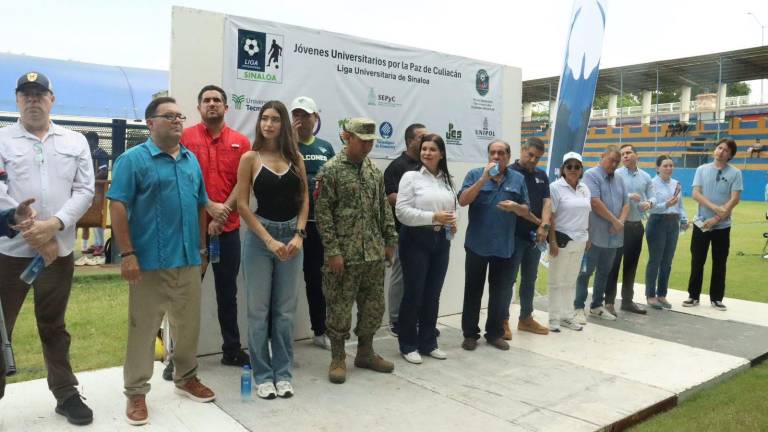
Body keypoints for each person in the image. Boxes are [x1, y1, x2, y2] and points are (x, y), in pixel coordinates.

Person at [108, 97, 217, 426]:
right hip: (148, 264)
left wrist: (200, 249)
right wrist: (127, 254)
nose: (176, 121)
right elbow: (117, 206)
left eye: (179, 116)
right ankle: (137, 392)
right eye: (168, 116)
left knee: (188, 328)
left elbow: (201, 204)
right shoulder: (133, 160)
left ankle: (186, 378)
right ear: (150, 123)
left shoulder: (189, 160)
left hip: (187, 260)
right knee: (142, 331)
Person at [0, 72, 95, 424]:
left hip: (57, 252)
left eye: (40, 94)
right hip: (10, 253)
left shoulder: (74, 141)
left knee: (53, 326)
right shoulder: (2, 139)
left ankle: (66, 394)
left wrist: (52, 227)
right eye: (26, 95)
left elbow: (85, 190)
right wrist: (27, 228)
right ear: (17, 100)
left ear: (52, 99)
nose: (33, 100)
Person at [315, 118, 398, 384]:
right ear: (346, 137)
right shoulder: (331, 170)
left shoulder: (374, 171)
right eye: (363, 140)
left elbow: (383, 209)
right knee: (339, 308)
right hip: (345, 255)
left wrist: (389, 240)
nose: (368, 146)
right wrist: (333, 251)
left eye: (371, 141)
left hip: (372, 253)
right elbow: (323, 214)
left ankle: (365, 352)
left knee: (373, 306)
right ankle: (338, 358)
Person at [236, 101, 308, 399]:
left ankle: (283, 373)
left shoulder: (297, 159)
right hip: (260, 239)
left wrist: (299, 235)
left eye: (275, 119)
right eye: (264, 118)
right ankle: (263, 374)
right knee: (258, 311)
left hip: (291, 238)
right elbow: (242, 204)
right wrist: (268, 240)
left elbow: (304, 200)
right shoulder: (250, 158)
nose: (268, 124)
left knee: (284, 313)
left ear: (283, 125)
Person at [182, 85, 251, 367]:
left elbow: (243, 183)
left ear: (226, 107)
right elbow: (182, 178)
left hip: (228, 230)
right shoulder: (184, 138)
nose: (212, 104)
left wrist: (222, 212)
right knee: (184, 295)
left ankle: (231, 350)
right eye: (206, 100)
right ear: (199, 108)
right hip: (190, 232)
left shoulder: (241, 142)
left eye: (217, 100)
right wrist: (208, 204)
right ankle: (180, 357)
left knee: (227, 294)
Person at [459, 139, 529, 351]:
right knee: (473, 291)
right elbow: (462, 201)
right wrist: (483, 179)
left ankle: (495, 334)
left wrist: (517, 207)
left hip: (504, 246)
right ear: (488, 155)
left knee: (499, 293)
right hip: (476, 245)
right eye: (493, 153)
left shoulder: (517, 179)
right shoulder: (474, 174)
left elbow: (526, 209)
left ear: (508, 156)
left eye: (501, 153)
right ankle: (470, 334)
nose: (496, 157)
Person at [395, 134, 457, 364]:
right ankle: (408, 344)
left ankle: (428, 342)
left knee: (433, 294)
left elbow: (453, 207)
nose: (427, 153)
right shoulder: (410, 177)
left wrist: (453, 220)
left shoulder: (447, 179)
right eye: (424, 149)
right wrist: (433, 217)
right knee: (414, 293)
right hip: (415, 240)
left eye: (432, 149)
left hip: (441, 241)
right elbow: (402, 212)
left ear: (441, 154)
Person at [290, 96, 335, 350]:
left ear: (315, 118)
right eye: (296, 114)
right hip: (290, 223)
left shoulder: (325, 147)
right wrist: (292, 143)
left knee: (315, 279)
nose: (300, 119)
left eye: (305, 114)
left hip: (318, 223)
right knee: (283, 280)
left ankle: (320, 330)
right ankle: (279, 334)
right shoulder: (283, 145)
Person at [501, 137, 551, 338]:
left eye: (537, 158)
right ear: (522, 150)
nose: (533, 160)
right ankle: (502, 320)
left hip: (535, 239)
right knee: (508, 280)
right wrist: (539, 224)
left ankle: (526, 318)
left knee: (530, 279)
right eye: (530, 155)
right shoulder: (509, 173)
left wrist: (544, 226)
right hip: (513, 235)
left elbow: (547, 202)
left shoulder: (541, 175)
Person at [685, 138, 743, 311]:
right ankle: (693, 296)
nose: (721, 151)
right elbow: (696, 194)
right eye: (719, 148)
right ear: (715, 150)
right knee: (697, 261)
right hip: (701, 223)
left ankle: (716, 298)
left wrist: (716, 218)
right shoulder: (701, 169)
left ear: (730, 155)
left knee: (719, 262)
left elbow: (734, 199)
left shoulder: (735, 173)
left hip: (722, 226)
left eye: (726, 150)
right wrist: (714, 208)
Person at [574, 146, 628, 323]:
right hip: (594, 236)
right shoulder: (591, 175)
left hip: (613, 237)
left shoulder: (619, 179)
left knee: (604, 272)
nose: (613, 164)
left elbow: (626, 204)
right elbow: (595, 203)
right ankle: (578, 307)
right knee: (585, 273)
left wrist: (619, 223)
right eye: (611, 159)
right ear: (601, 156)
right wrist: (615, 221)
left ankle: (597, 306)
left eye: (616, 162)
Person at [383, 123, 426, 336]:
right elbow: (390, 197)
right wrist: (420, 205)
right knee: (400, 275)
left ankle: (414, 318)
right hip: (402, 231)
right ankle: (395, 320)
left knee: (419, 276)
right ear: (410, 141)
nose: (426, 141)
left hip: (425, 231)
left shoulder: (428, 166)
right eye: (422, 137)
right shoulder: (397, 166)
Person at [605, 144, 653, 315]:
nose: (625, 156)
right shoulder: (615, 175)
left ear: (636, 155)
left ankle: (627, 301)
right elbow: (609, 195)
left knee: (631, 266)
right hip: (619, 226)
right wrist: (629, 196)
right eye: (622, 154)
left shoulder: (646, 177)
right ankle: (609, 302)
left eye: (628, 153)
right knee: (613, 265)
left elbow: (653, 195)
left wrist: (650, 203)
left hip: (636, 226)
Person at [547, 152, 590, 332]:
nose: (573, 169)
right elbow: (551, 216)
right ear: (563, 169)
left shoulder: (584, 189)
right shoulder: (555, 187)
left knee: (571, 281)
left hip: (580, 240)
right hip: (562, 240)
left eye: (576, 166)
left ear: (581, 170)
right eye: (569, 166)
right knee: (556, 281)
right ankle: (553, 318)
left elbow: (588, 213)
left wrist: (589, 236)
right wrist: (553, 242)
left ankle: (567, 316)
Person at [645, 155, 688, 310]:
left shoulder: (677, 184)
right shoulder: (651, 184)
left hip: (673, 223)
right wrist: (666, 204)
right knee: (655, 261)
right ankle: (650, 295)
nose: (669, 168)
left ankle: (662, 294)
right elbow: (649, 206)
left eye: (671, 165)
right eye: (665, 166)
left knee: (667, 262)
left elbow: (680, 205)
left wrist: (684, 219)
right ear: (657, 168)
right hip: (657, 222)